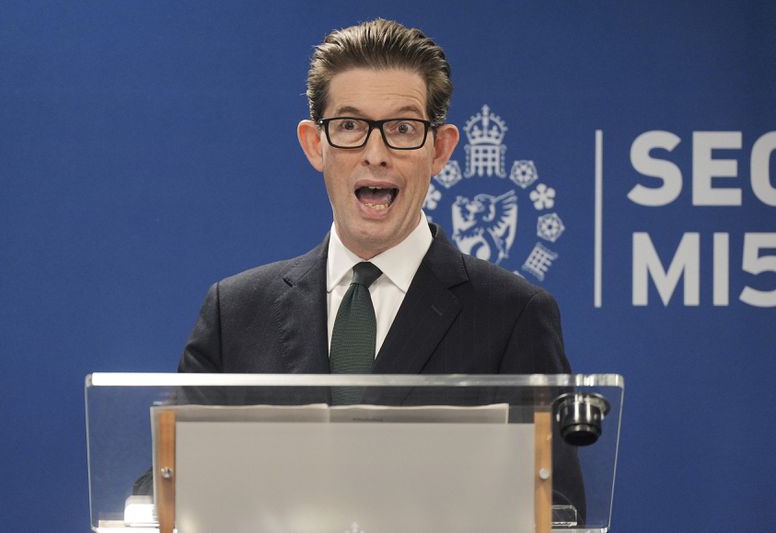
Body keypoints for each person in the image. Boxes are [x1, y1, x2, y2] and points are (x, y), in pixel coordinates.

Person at [173, 18, 583, 515]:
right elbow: (171, 487)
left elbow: (556, 510)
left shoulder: (513, 315)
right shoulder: (235, 313)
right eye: (349, 126)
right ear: (314, 144)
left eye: (403, 129)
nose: (375, 154)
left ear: (440, 149)